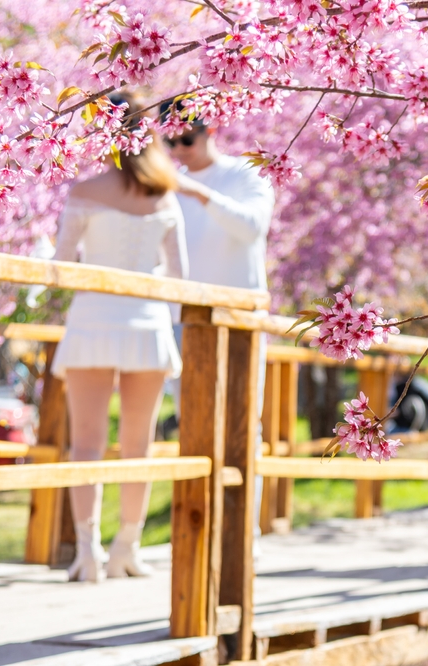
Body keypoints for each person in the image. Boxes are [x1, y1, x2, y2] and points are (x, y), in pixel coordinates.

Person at [51, 92, 188, 582]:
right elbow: (180, 278)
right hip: (147, 325)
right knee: (139, 442)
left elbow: (62, 269)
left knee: (85, 443)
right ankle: (126, 547)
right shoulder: (165, 194)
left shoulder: (84, 191)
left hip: (91, 320)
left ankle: (88, 552)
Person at [159, 101, 275, 547]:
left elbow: (252, 228)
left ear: (210, 132)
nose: (179, 149)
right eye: (170, 142)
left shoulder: (245, 173)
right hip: (181, 318)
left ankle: (244, 532)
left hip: (238, 320)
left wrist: (196, 191)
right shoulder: (164, 183)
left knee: (243, 424)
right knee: (192, 423)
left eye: (187, 139)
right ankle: (197, 529)